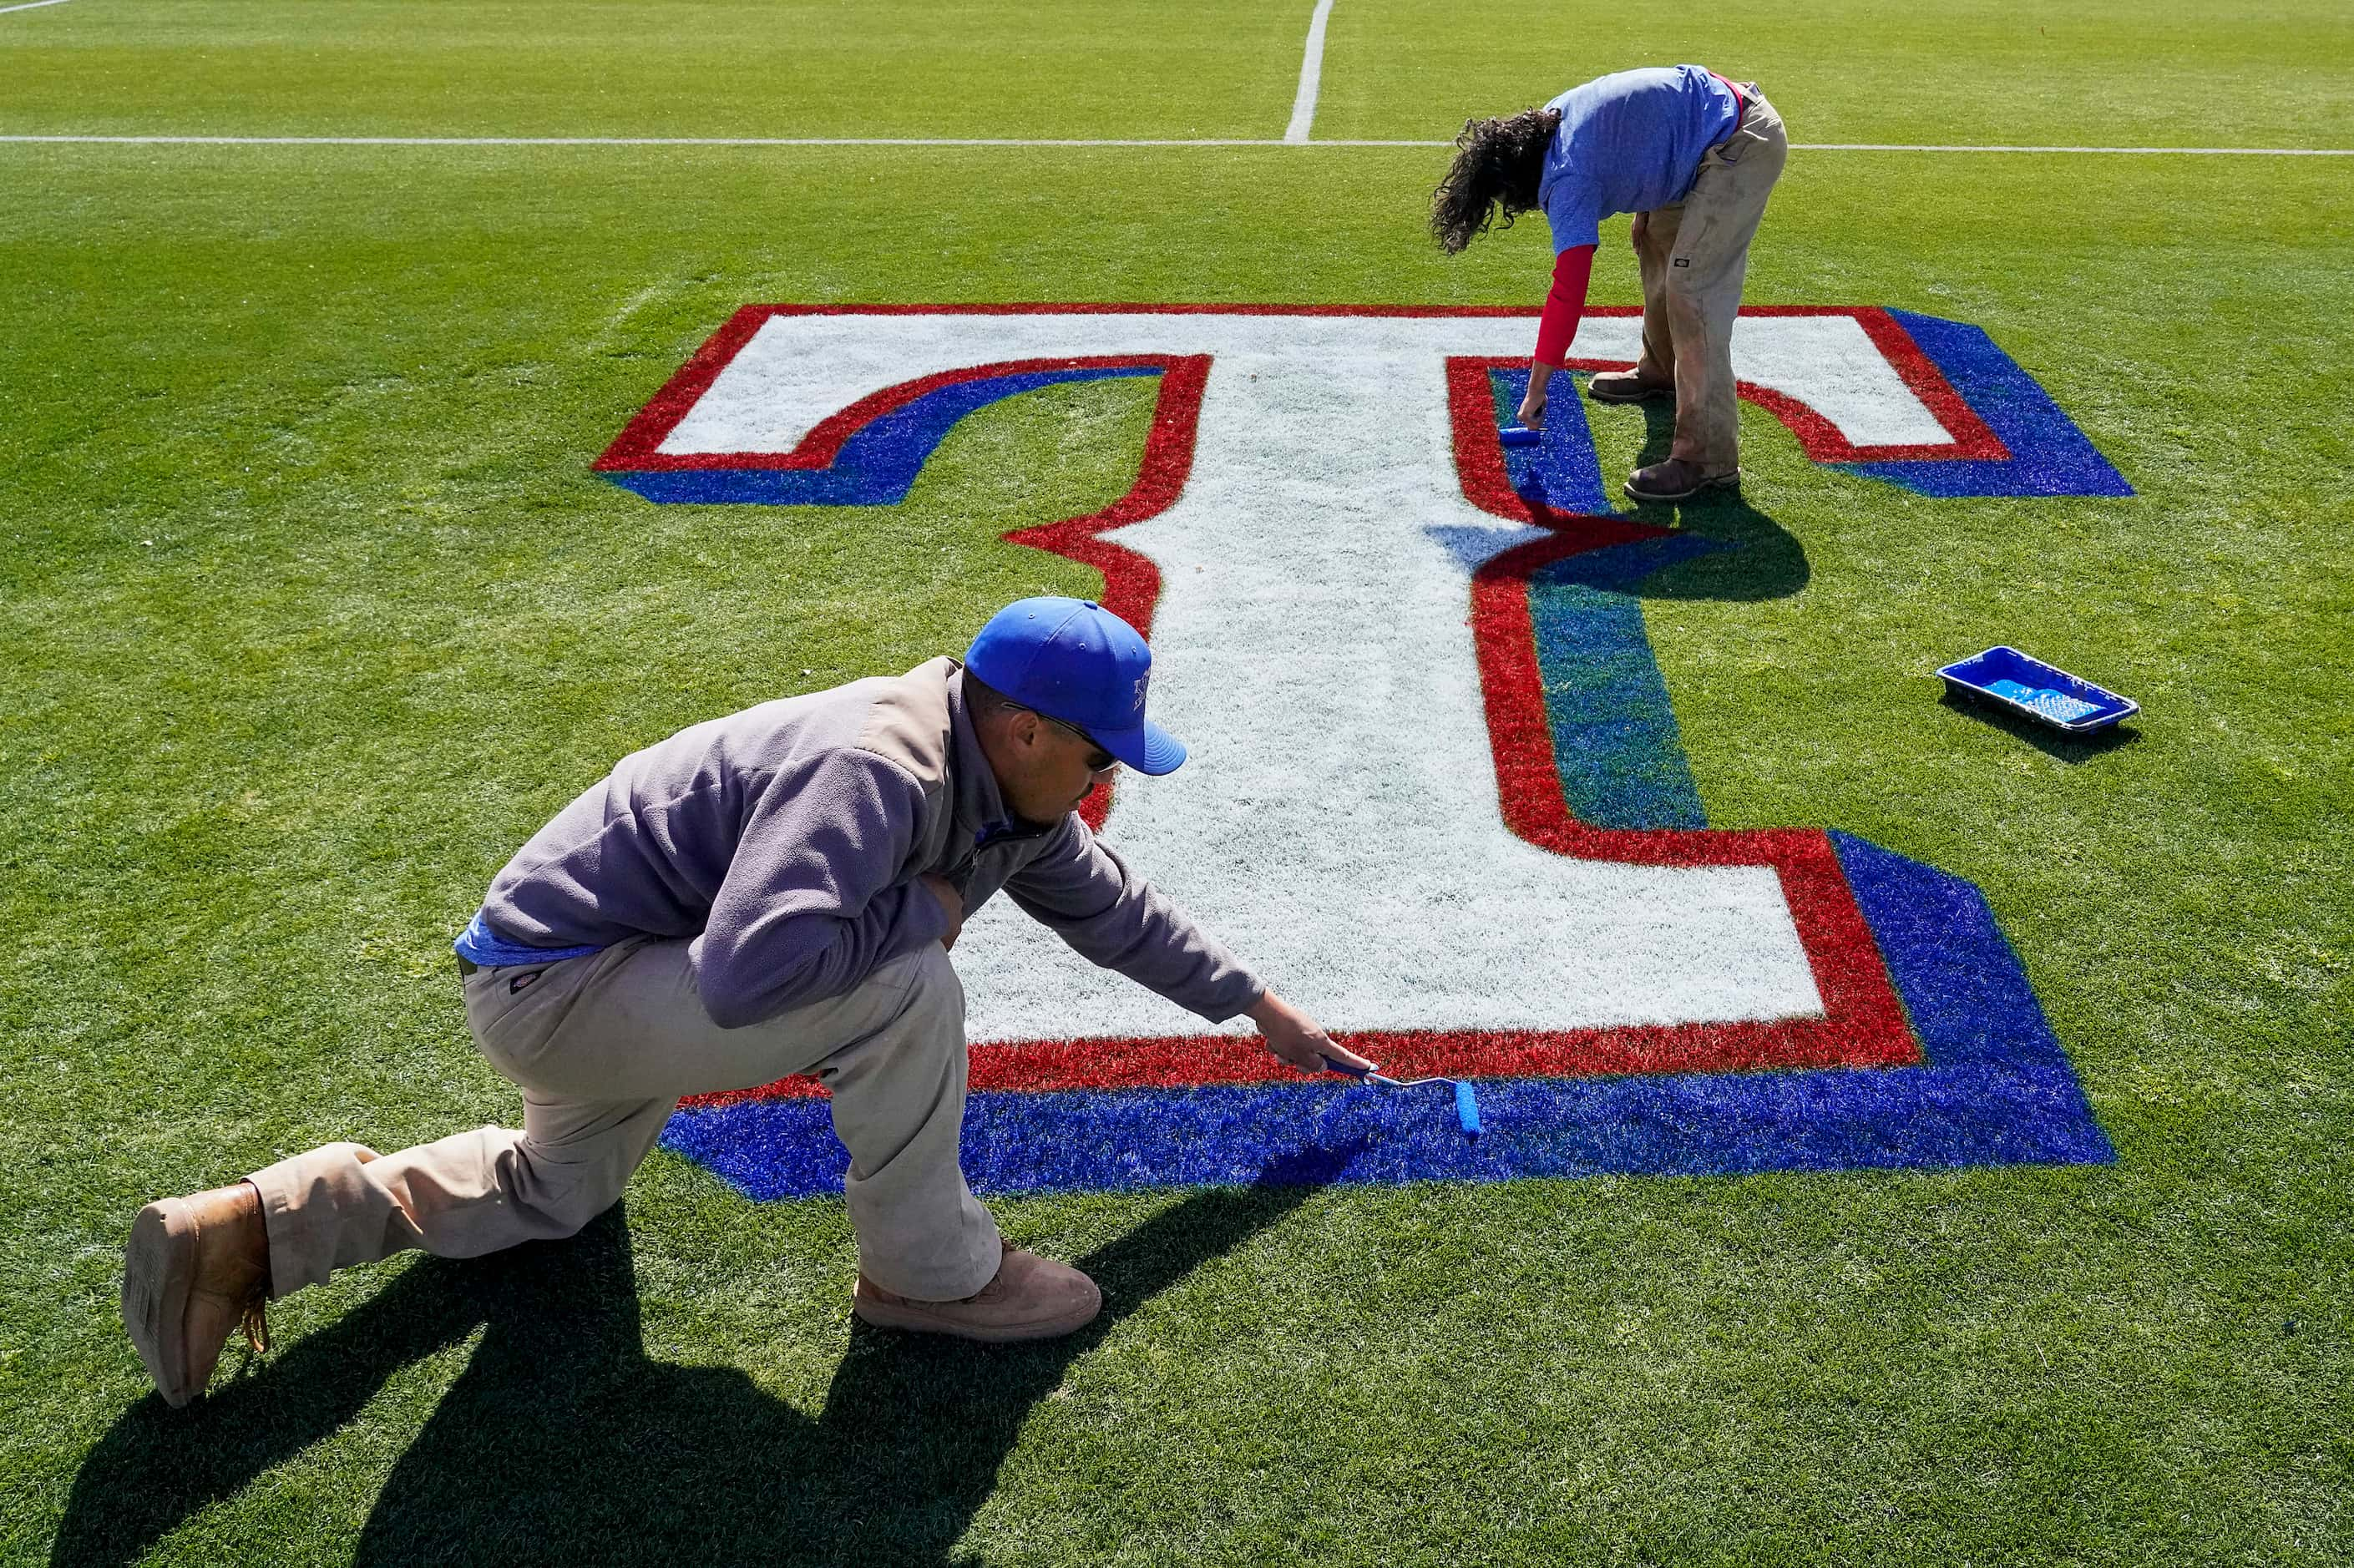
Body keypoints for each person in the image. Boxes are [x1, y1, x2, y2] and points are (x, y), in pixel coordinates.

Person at [122, 596, 1369, 1407]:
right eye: (1100, 757)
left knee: (555, 1194)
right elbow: (746, 973)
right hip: (563, 982)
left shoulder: (1003, 785)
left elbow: (1108, 905)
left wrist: (1255, 1007)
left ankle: (253, 1228)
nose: (1107, 784)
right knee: (902, 982)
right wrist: (921, 916)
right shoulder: (877, 761)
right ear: (1029, 730)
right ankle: (927, 1274)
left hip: (599, 982)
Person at [1431, 64, 1789, 503]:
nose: (1521, 210)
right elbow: (1634, 133)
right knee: (1655, 241)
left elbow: (1568, 290)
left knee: (1692, 288)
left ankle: (1708, 460)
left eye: (1509, 203)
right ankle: (1661, 371)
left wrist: (1537, 390)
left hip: (1737, 143)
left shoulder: (1567, 177)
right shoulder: (1550, 124)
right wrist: (1648, 200)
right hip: (1703, 133)